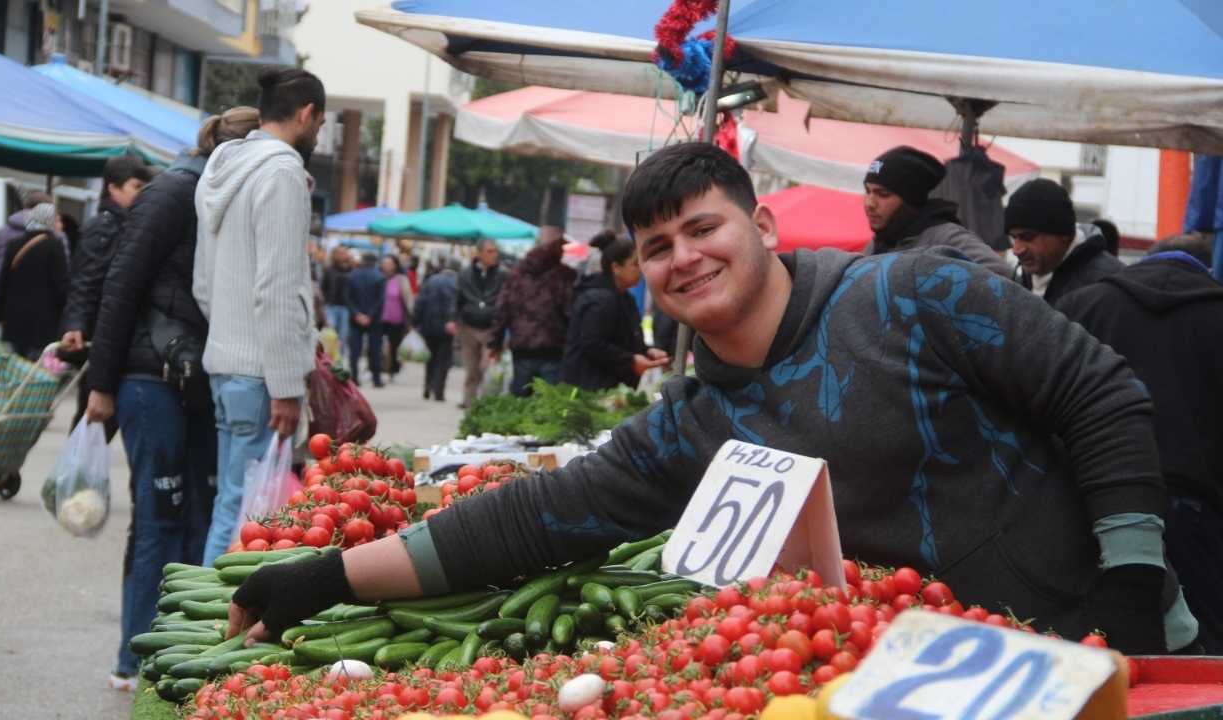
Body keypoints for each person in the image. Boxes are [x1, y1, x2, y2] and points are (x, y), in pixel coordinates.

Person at [227, 142, 1194, 657]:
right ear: (640, 271)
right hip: (950, 684)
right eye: (657, 248)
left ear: (761, 223)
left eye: (703, 227)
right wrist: (322, 580)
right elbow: (530, 519)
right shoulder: (692, 424)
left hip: (1118, 641)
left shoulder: (912, 292)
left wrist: (1132, 579)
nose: (684, 257)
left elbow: (1099, 394)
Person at [86, 107, 260, 692]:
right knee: (160, 520)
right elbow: (119, 286)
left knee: (196, 518)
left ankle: (173, 653)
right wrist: (101, 385)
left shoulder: (217, 193)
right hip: (148, 379)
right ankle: (133, 658)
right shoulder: (172, 193)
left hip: (191, 378)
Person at [1056, 233, 1223, 653]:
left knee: (1100, 647)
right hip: (1200, 516)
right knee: (1203, 659)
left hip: (1094, 507)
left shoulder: (1081, 306)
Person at [193, 69, 325, 564]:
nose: (318, 133)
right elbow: (278, 287)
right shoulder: (282, 173)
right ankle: (207, 627)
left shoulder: (222, 168)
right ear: (306, 113)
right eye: (322, 123)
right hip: (261, 376)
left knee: (231, 504)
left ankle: (200, 620)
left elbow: (203, 283)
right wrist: (287, 384)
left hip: (225, 363)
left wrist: (230, 333)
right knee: (248, 519)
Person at [60, 155, 154, 433]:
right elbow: (84, 281)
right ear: (113, 188)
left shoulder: (127, 224)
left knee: (99, 422)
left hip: (113, 338)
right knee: (94, 420)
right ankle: (76, 474)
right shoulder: (104, 227)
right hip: (101, 340)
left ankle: (79, 471)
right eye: (136, 186)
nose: (141, 194)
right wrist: (76, 324)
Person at [862, 146, 1011, 277]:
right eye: (868, 192)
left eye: (883, 194)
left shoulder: (945, 238)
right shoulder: (879, 243)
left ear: (909, 199)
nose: (870, 203)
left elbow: (1000, 273)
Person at [561, 230, 668, 390]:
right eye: (635, 264)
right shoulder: (601, 299)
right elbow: (592, 343)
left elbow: (622, 340)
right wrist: (630, 361)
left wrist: (647, 352)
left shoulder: (624, 298)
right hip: (590, 389)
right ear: (616, 267)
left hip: (609, 386)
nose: (641, 270)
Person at [1006, 178, 1123, 306]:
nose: (1017, 250)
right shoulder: (1025, 276)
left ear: (1063, 234)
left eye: (1028, 237)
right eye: (1013, 237)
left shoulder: (1108, 286)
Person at [489, 227, 576, 396]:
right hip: (554, 350)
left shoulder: (516, 273)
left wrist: (495, 342)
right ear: (553, 249)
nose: (562, 252)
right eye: (560, 248)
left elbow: (502, 310)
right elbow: (571, 312)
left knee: (520, 404)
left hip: (522, 348)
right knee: (548, 406)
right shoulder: (564, 276)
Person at [0, 203, 68, 359]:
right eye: (57, 220)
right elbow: (62, 286)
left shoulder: (14, 244)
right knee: (35, 371)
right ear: (49, 221)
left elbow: (2, 281)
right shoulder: (54, 246)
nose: (60, 224)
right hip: (42, 324)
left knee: (16, 366)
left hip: (15, 320)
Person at [450, 239, 505, 408]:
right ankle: (469, 402)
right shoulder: (466, 273)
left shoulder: (503, 274)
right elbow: (457, 297)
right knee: (471, 368)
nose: (493, 254)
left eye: (495, 251)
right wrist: (453, 319)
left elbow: (506, 300)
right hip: (469, 326)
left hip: (491, 327)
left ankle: (486, 401)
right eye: (489, 251)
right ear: (479, 253)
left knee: (487, 367)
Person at [0, 190, 54, 313]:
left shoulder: (4, 231)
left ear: (25, 206)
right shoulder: (55, 237)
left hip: (2, 302)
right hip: (38, 309)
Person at [412, 259, 458, 401]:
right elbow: (455, 305)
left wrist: (415, 322)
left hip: (428, 326)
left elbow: (420, 302)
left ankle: (427, 386)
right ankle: (439, 391)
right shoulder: (456, 283)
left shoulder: (430, 281)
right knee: (443, 360)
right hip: (446, 327)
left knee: (430, 358)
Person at [345, 253, 386, 387]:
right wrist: (369, 315)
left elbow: (347, 297)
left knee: (355, 349)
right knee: (375, 349)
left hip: (355, 319)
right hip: (373, 320)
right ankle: (376, 378)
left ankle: (355, 377)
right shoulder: (380, 277)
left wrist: (357, 314)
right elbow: (380, 300)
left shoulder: (352, 276)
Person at [379, 254, 414, 381]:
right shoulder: (379, 278)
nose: (386, 266)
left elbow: (409, 299)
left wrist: (411, 318)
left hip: (396, 319)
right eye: (385, 263)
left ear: (395, 266)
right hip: (380, 318)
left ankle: (393, 370)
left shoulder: (401, 279)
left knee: (395, 346)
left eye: (389, 264)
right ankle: (378, 368)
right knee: (377, 345)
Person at [321, 246, 354, 351]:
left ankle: (339, 359)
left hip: (346, 307)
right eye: (339, 253)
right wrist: (325, 302)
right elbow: (323, 287)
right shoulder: (329, 269)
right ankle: (329, 358)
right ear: (334, 255)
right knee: (330, 333)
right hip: (331, 306)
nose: (342, 255)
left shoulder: (351, 269)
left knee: (343, 334)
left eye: (344, 253)